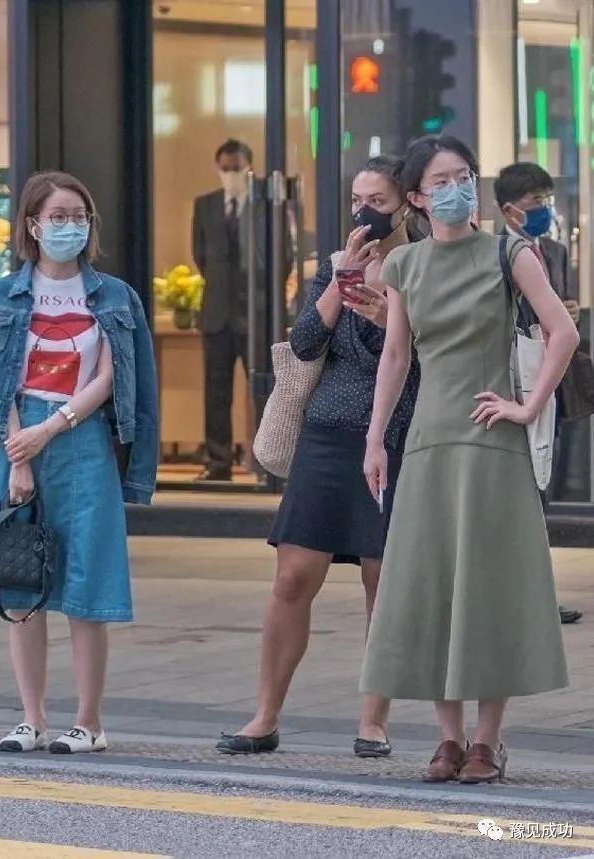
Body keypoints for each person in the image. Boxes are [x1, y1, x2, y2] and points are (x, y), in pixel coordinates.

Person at [361, 135, 578, 784]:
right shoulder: (405, 267)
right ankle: (447, 737)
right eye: (442, 180)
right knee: (432, 585)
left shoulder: (508, 250)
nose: (457, 189)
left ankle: (488, 739)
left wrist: (526, 404)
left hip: (490, 442)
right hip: (427, 441)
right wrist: (374, 439)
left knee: (486, 587)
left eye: (465, 176)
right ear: (419, 197)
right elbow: (396, 356)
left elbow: (560, 331)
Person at [216, 156, 421, 757]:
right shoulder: (334, 267)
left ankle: (373, 720)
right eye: (358, 199)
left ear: (406, 204)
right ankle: (264, 715)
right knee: (292, 576)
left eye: (378, 200)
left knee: (381, 580)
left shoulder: (423, 266)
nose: (366, 211)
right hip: (328, 433)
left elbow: (429, 356)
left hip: (399, 434)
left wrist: (390, 311)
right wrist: (341, 280)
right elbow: (305, 342)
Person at [0, 171, 158, 754]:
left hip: (83, 439)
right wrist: (17, 453)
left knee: (87, 583)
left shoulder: (115, 297)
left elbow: (119, 374)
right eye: (58, 216)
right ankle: (31, 717)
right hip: (12, 443)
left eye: (79, 216)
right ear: (32, 225)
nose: (69, 226)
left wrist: (52, 427)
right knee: (20, 584)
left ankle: (89, 722)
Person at [495, 162, 582, 624]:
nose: (544, 211)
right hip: (514, 378)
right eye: (536, 205)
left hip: (550, 377)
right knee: (521, 494)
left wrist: (566, 310)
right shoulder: (497, 252)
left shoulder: (555, 249)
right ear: (510, 210)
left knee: (542, 487)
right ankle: (523, 594)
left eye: (547, 202)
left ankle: (537, 593)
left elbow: (560, 308)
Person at [191, 139, 255, 482]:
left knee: (263, 388)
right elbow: (201, 255)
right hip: (216, 314)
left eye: (237, 167)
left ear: (249, 167)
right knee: (216, 392)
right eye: (225, 168)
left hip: (256, 315)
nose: (231, 174)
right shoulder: (205, 205)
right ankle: (218, 462)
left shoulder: (263, 204)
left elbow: (283, 258)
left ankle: (264, 461)